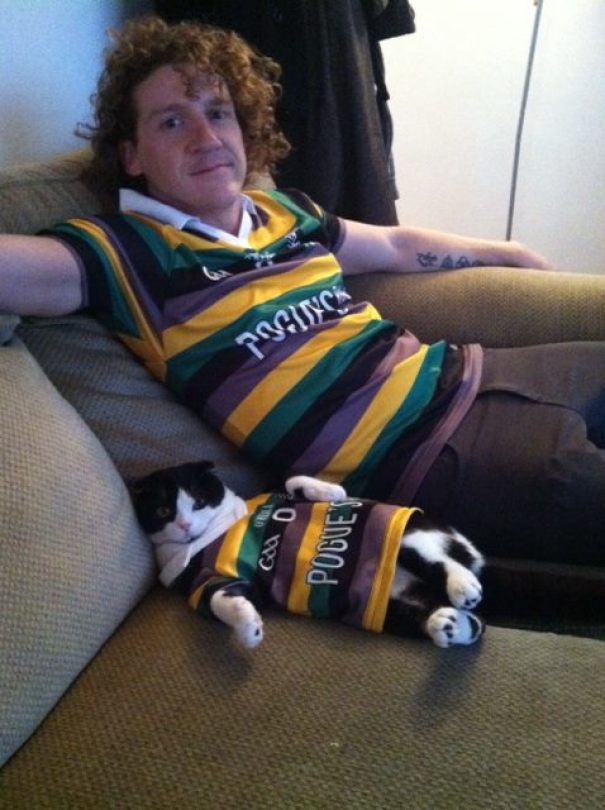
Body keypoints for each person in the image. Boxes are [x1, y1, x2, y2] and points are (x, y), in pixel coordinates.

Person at [0, 16, 603, 572]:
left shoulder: (284, 210)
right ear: (131, 155)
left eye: (219, 112)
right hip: (421, 456)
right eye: (172, 121)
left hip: (463, 370)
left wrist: (509, 252)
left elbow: (394, 246)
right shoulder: (124, 252)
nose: (207, 136)